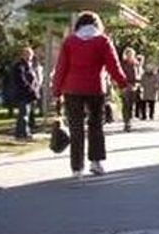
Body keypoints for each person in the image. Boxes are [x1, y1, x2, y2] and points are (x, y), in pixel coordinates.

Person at [51, 10, 127, 178]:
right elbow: (113, 65)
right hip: (95, 88)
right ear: (96, 24)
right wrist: (122, 83)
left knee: (76, 128)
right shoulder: (103, 41)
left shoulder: (69, 41)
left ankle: (77, 168)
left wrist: (56, 90)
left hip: (72, 89)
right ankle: (96, 162)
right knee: (96, 126)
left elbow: (61, 68)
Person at [11, 46, 41, 139]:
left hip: (30, 94)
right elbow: (21, 80)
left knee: (26, 114)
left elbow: (34, 78)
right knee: (24, 114)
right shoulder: (19, 66)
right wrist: (31, 89)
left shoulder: (30, 65)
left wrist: (36, 89)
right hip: (23, 94)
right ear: (23, 55)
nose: (29, 56)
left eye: (31, 54)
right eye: (27, 54)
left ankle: (20, 133)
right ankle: (24, 134)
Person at [120, 48, 141, 131]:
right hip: (125, 85)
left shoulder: (136, 64)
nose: (129, 56)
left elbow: (139, 74)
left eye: (131, 54)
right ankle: (126, 122)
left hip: (134, 85)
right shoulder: (123, 64)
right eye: (128, 54)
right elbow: (120, 74)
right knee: (125, 103)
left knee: (131, 104)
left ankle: (130, 120)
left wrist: (138, 83)